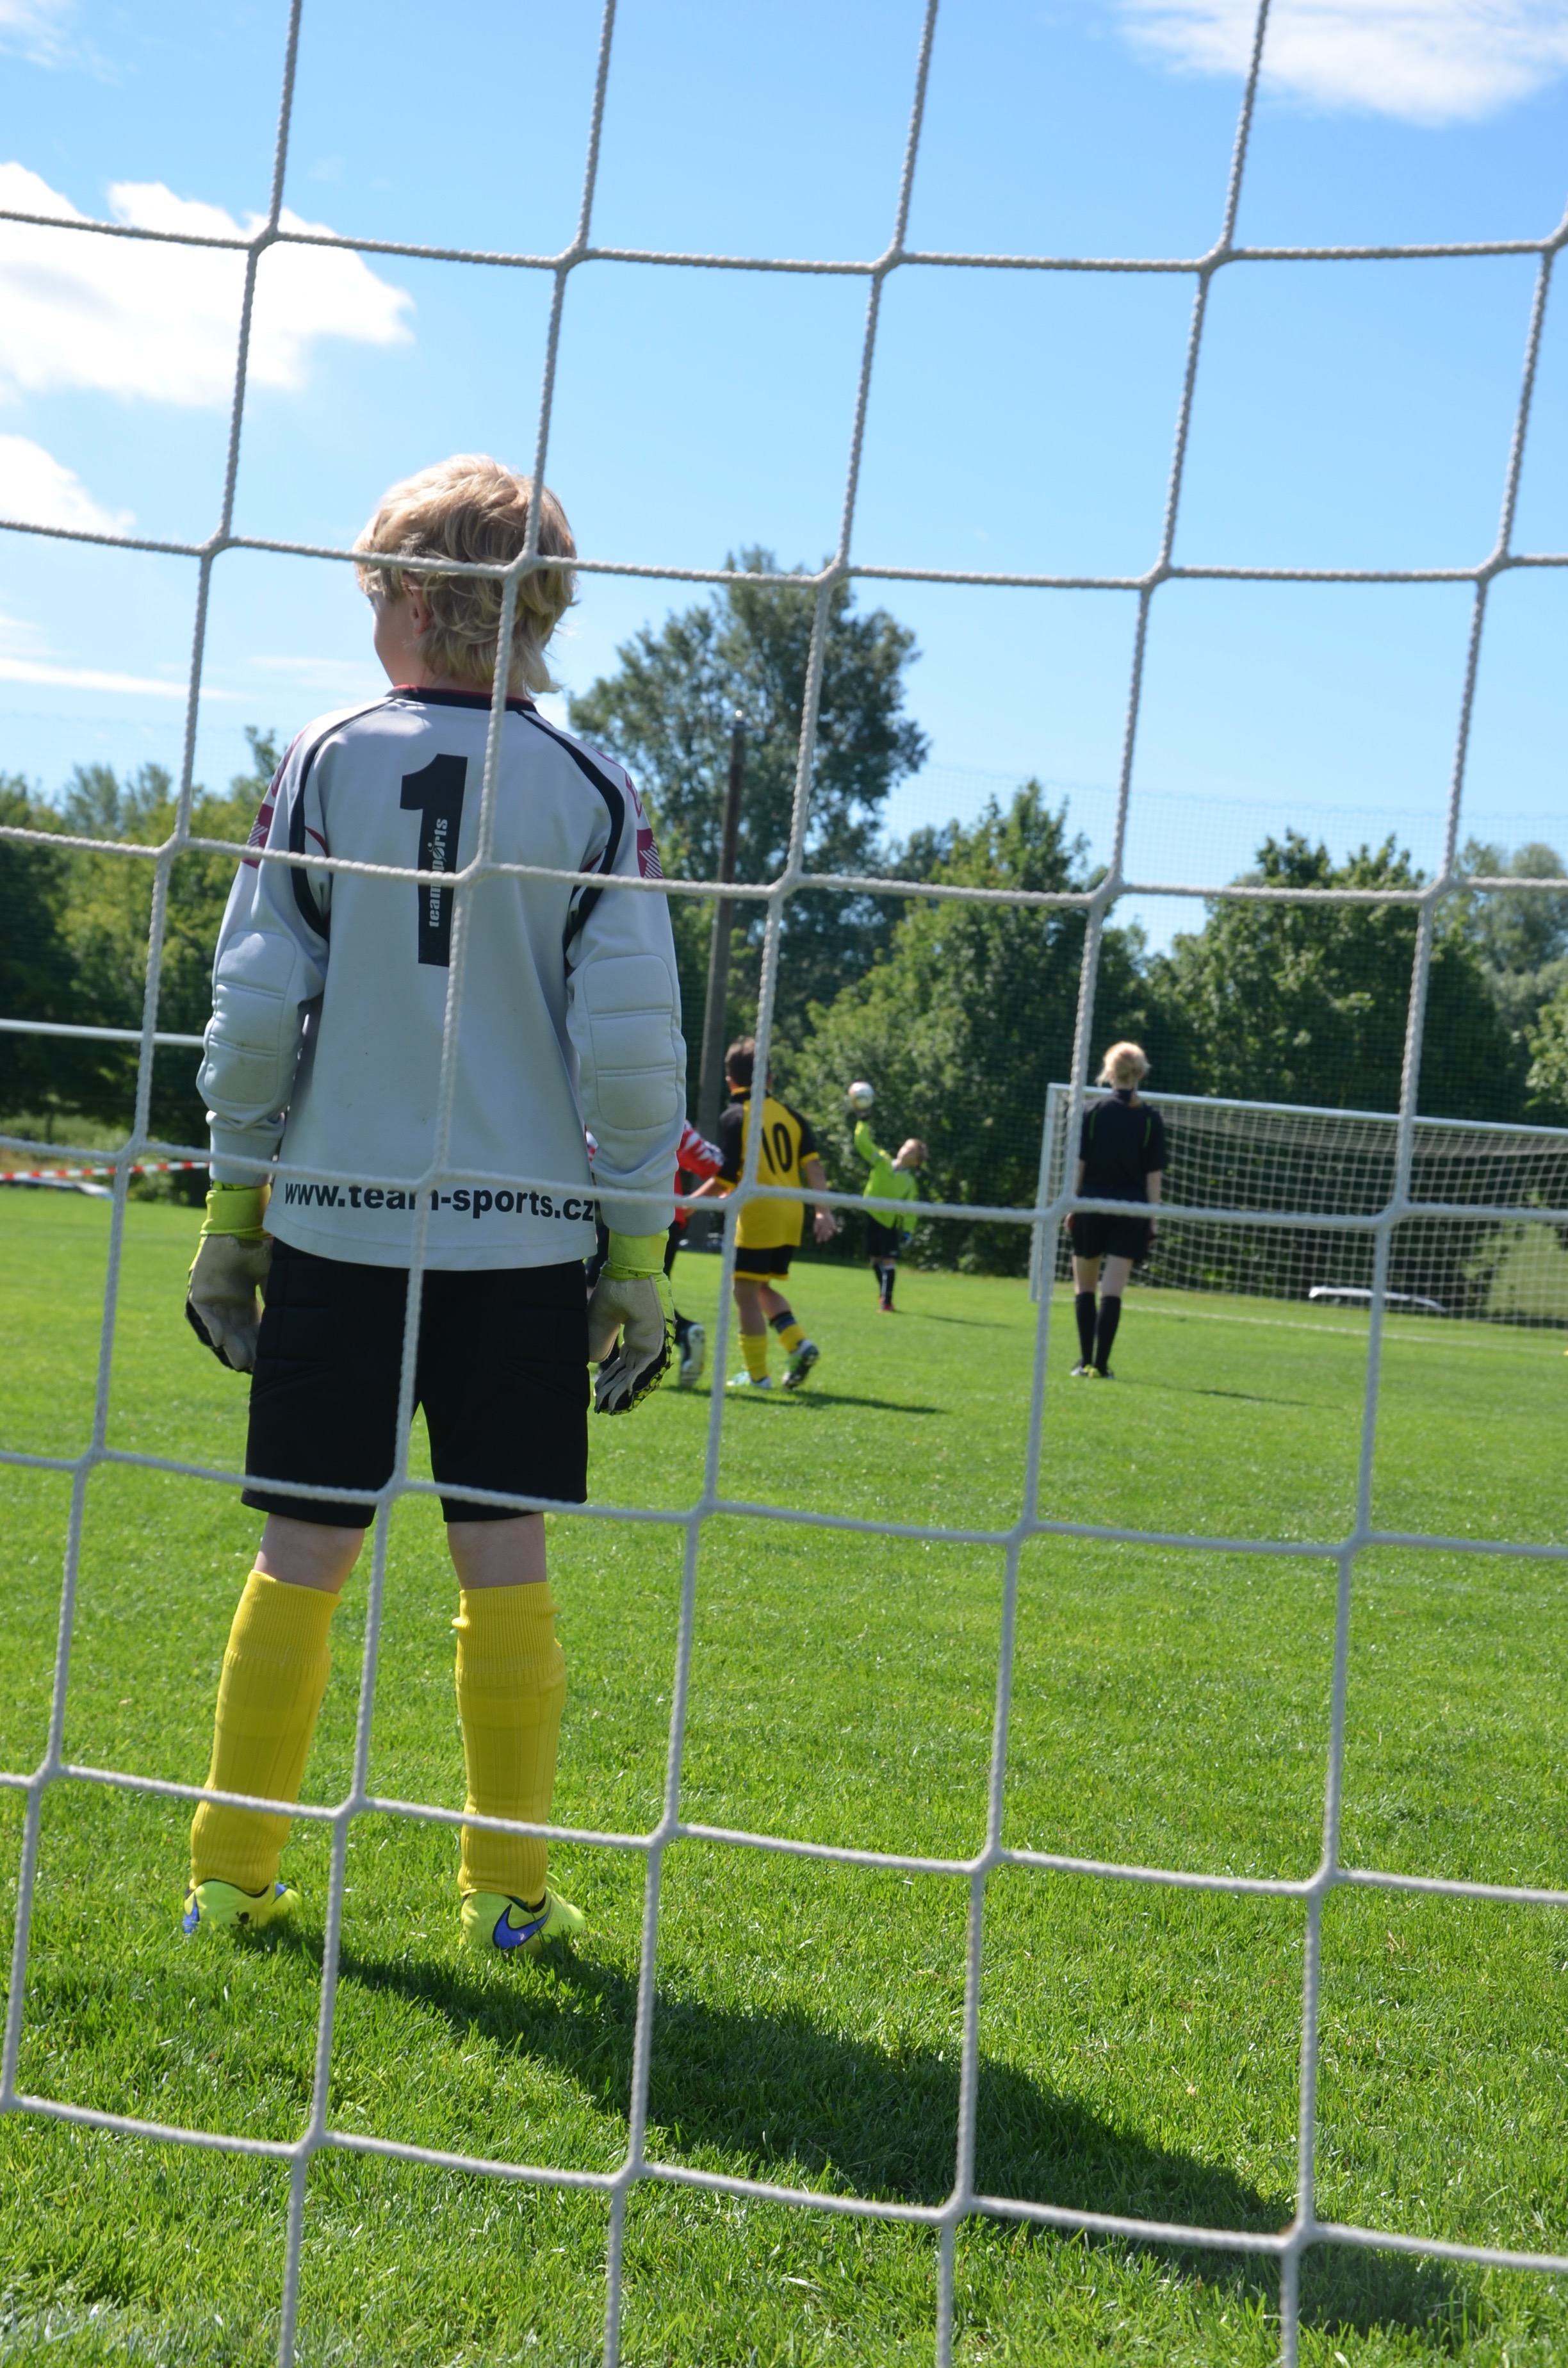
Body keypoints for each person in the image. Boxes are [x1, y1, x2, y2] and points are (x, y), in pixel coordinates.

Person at [181, 455, 685, 1957]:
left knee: (302, 1550)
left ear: (410, 594)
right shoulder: (596, 787)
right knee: (504, 1555)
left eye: (370, 591)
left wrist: (232, 1216)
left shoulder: (325, 756)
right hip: (520, 1240)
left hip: (334, 1227)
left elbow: (254, 1010)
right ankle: (507, 1895)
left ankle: (232, 1874)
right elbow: (634, 1049)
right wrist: (638, 1256)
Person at [690, 1039, 835, 1390]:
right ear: (770, 1078)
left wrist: (687, 1203)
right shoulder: (792, 1116)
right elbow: (814, 1168)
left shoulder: (736, 1116)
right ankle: (798, 1344)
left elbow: (726, 1178)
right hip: (791, 1213)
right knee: (760, 1288)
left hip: (759, 1214)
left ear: (730, 1081)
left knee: (743, 1293)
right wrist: (823, 1212)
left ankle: (758, 1377)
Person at [584, 1115, 722, 1386]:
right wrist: (689, 1205)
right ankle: (685, 1332)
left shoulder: (605, 1112)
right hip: (668, 1218)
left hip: (627, 1213)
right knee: (647, 1293)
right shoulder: (672, 1118)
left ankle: (608, 1363)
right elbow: (715, 1164)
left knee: (597, 1286)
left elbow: (585, 1158)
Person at [1068, 1040, 1166, 1378]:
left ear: (1109, 1072)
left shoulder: (1092, 1111)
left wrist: (1072, 1203)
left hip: (1091, 1202)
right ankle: (1102, 1365)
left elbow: (1079, 1165)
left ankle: (1085, 1363)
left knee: (1085, 1288)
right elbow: (1154, 1178)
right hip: (1132, 1209)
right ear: (1140, 1073)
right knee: (1112, 1292)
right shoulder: (1150, 1119)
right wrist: (1152, 1219)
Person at [852, 1113, 924, 1311]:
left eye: (912, 1152)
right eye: (906, 1148)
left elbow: (911, 1209)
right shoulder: (882, 1161)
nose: (906, 1152)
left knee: (888, 1260)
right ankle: (883, 1295)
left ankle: (888, 1302)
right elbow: (863, 1143)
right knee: (875, 1260)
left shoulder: (909, 1182)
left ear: (916, 1162)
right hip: (872, 1216)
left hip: (889, 1223)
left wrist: (907, 1230)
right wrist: (863, 1121)